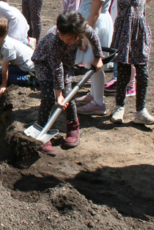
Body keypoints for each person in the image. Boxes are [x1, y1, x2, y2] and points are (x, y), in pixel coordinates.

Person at [31, 11, 103, 155]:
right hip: (44, 62)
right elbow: (56, 68)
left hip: (66, 61)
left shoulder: (79, 28)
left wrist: (98, 57)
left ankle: (73, 127)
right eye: (70, 38)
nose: (74, 40)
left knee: (69, 95)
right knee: (49, 98)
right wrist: (58, 95)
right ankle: (42, 129)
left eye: (77, 37)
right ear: (60, 32)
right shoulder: (53, 40)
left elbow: (93, 37)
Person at [110, 0, 154, 125]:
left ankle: (141, 110)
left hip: (139, 33)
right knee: (123, 71)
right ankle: (119, 108)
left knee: (142, 72)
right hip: (125, 32)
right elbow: (135, 0)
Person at [75, 0, 117, 116]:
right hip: (96, 25)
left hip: (95, 27)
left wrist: (86, 36)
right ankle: (94, 94)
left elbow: (95, 12)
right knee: (92, 62)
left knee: (95, 63)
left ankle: (99, 103)